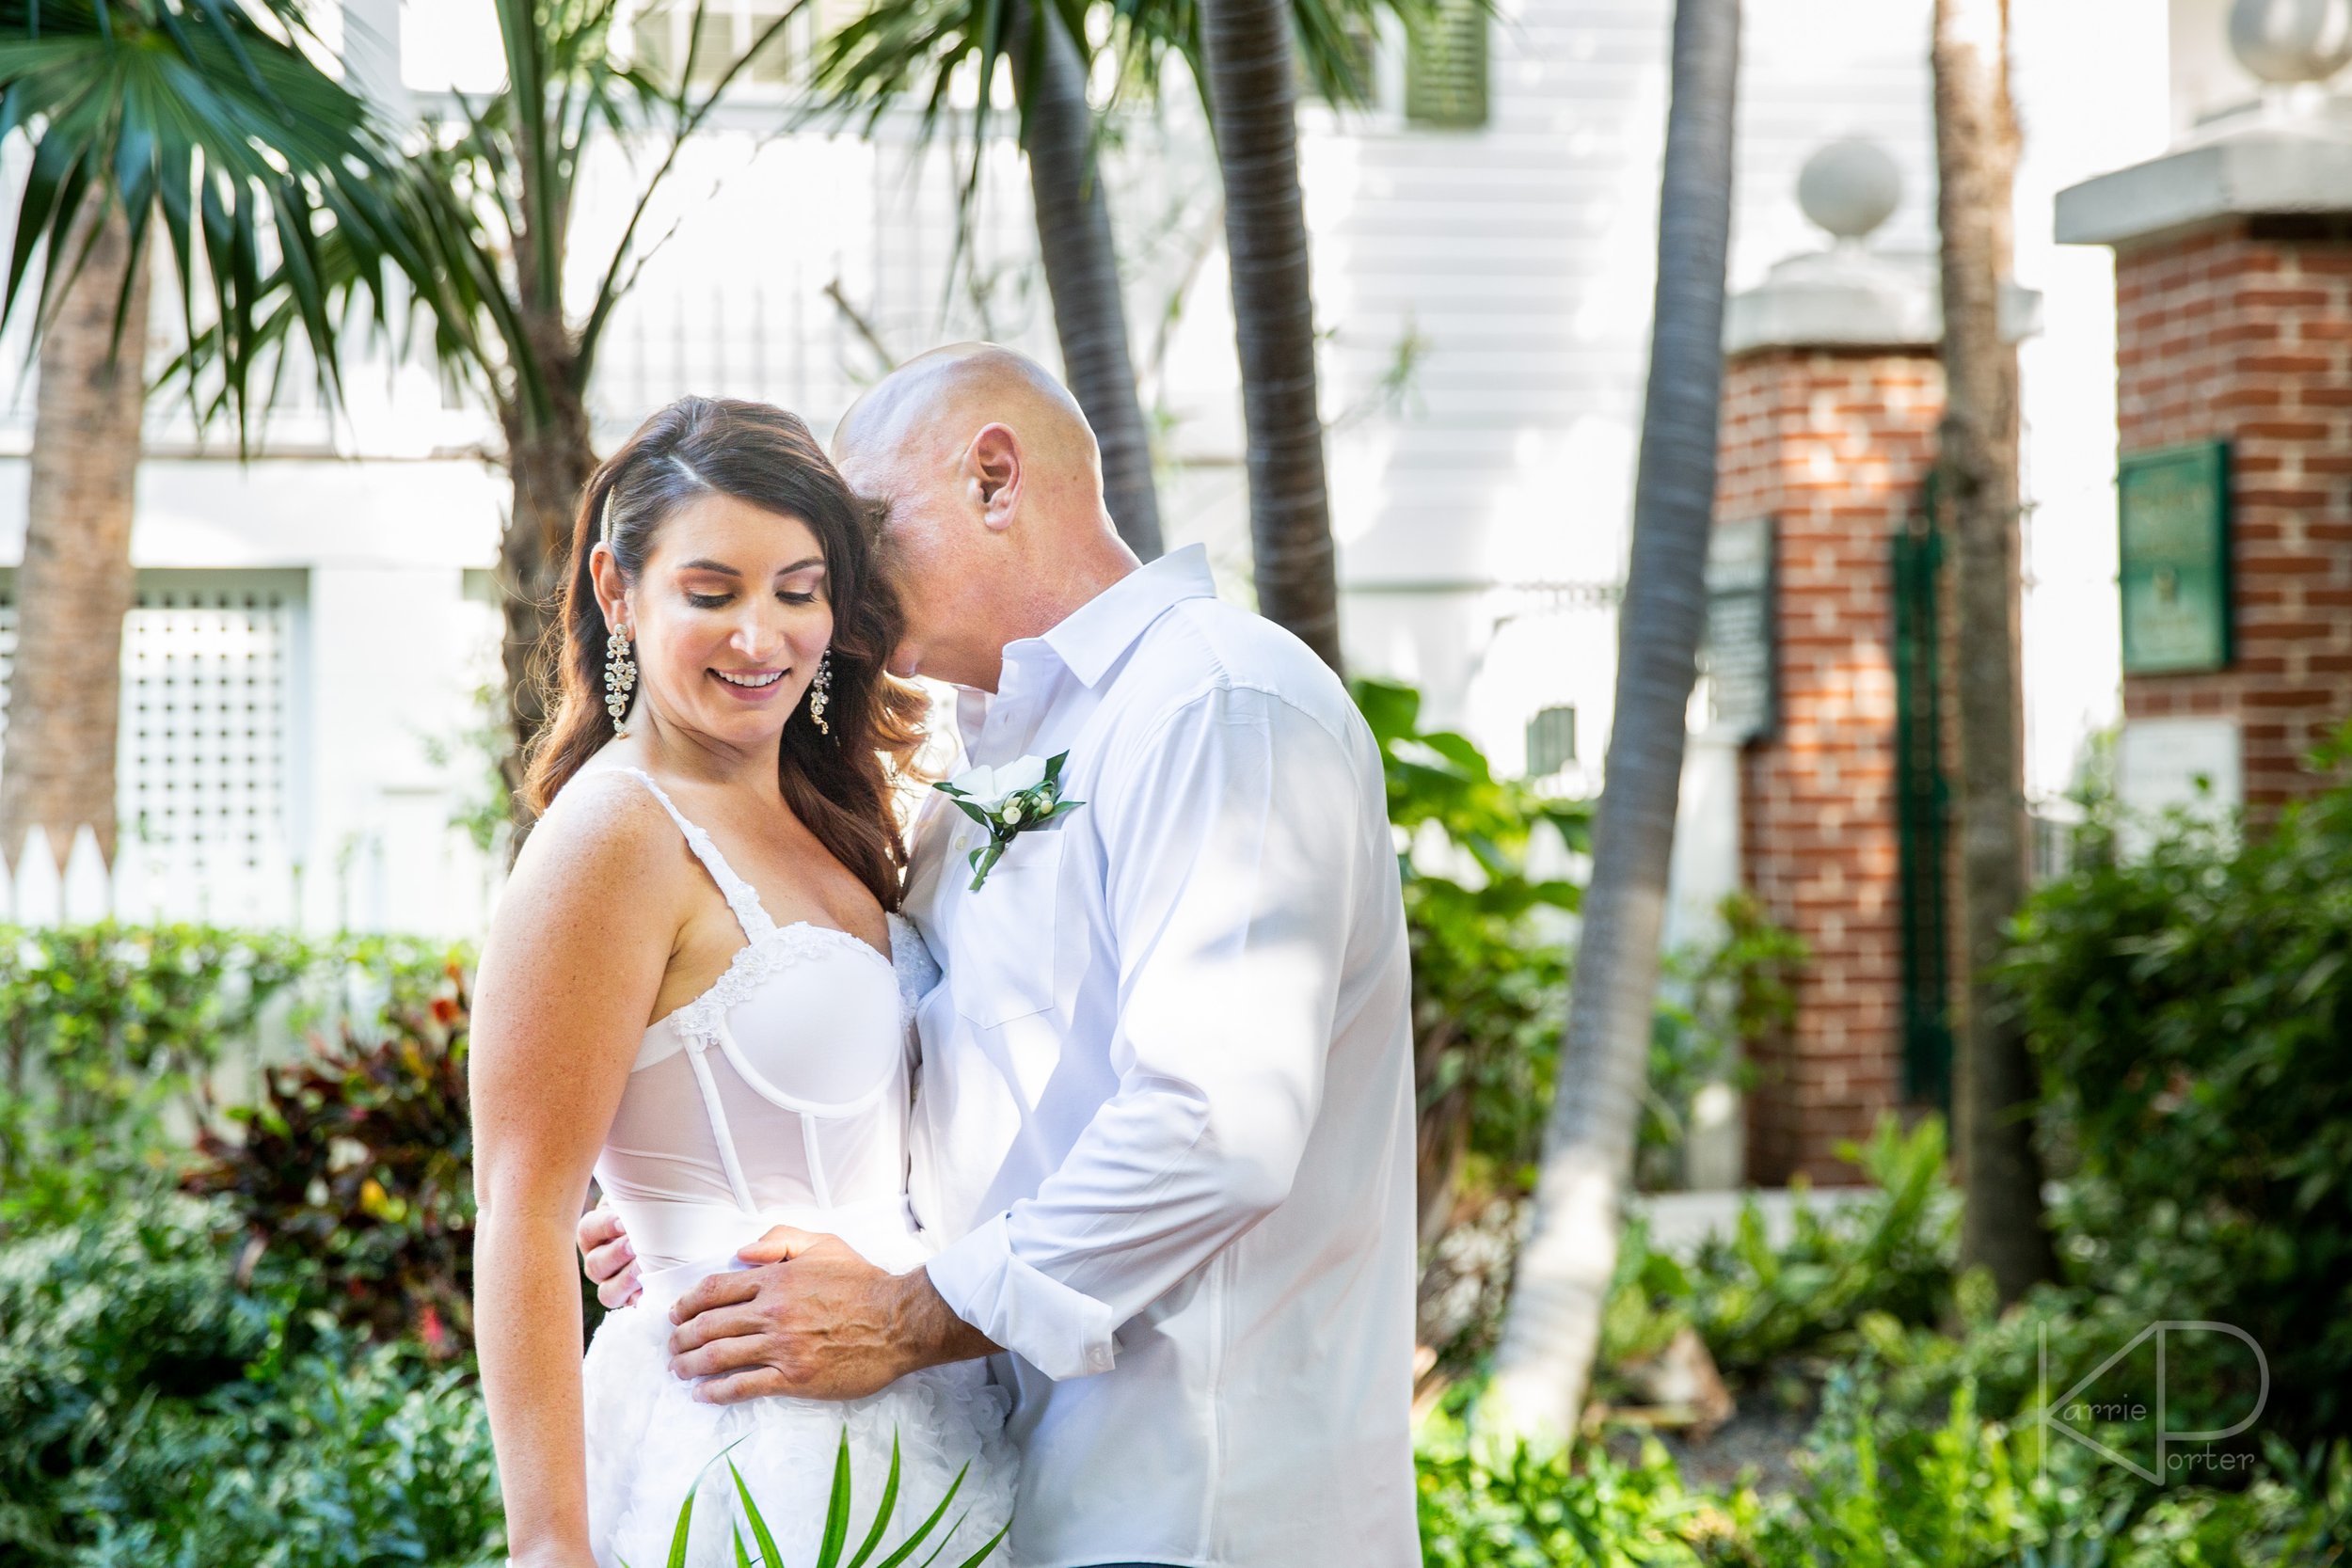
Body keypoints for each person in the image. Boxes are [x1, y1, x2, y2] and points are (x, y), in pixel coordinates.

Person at [580, 346, 1422, 1568]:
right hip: (1014, 1487)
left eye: (862, 528)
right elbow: (950, 1102)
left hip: (1202, 1500)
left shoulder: (1219, 705)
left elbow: (1213, 1125)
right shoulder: (977, 774)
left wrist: (909, 1316)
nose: (836, 580)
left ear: (992, 476)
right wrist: (723, 1191)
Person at [469, 396, 1017, 1568]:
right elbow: (519, 1207)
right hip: (743, 1447)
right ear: (618, 592)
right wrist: (547, 1545)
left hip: (922, 1420)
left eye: (798, 589)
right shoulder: (614, 836)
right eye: (710, 592)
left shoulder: (831, 818)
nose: (760, 636)